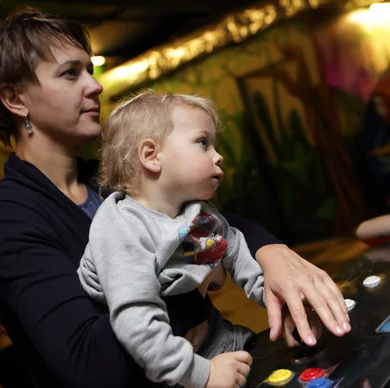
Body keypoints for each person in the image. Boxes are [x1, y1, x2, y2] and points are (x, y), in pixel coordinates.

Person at [0, 7, 350, 388]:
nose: (95, 85)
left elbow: (208, 224)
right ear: (16, 99)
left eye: (90, 70)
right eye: (70, 73)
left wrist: (270, 254)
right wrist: (192, 283)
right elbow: (89, 365)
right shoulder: (6, 223)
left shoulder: (108, 185)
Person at [79, 92, 269, 387]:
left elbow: (238, 257)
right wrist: (204, 376)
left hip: (223, 343)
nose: (218, 155)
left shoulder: (193, 213)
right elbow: (138, 324)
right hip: (174, 372)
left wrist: (280, 303)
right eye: (203, 142)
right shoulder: (121, 228)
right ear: (152, 156)